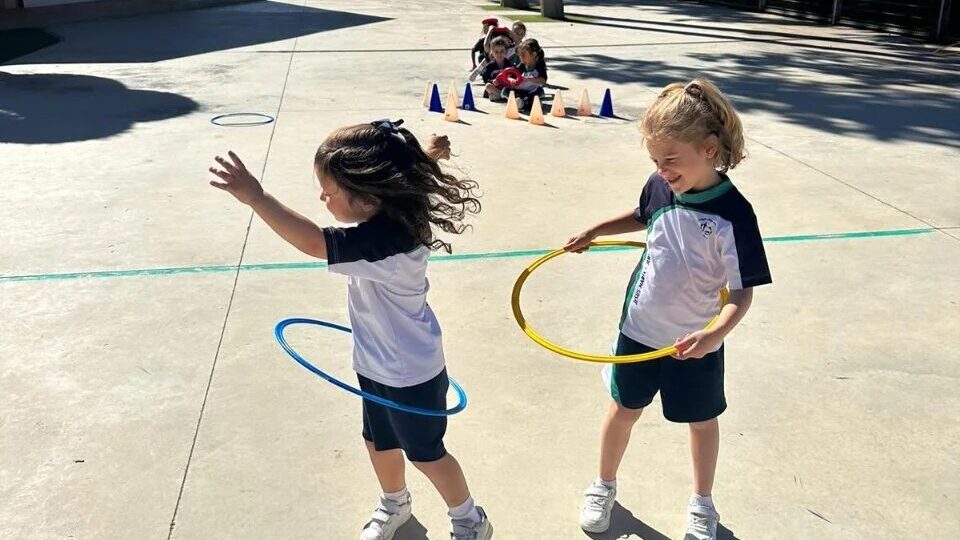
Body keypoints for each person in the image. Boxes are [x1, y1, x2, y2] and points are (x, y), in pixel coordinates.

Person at [208, 120, 493, 540]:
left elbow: (313, 242)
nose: (322, 197)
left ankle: (470, 519)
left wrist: (256, 197)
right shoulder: (392, 212)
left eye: (330, 191)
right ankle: (395, 503)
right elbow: (405, 182)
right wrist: (427, 155)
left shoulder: (386, 245)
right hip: (374, 361)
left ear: (368, 197)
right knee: (377, 441)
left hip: (411, 370)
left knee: (427, 454)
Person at [564, 79, 772, 540]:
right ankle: (603, 485)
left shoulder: (734, 215)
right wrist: (596, 230)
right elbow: (641, 215)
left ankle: (703, 505)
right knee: (623, 410)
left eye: (671, 160)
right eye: (656, 161)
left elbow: (742, 294)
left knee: (701, 422)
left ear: (709, 148)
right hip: (638, 329)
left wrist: (713, 337)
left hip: (694, 341)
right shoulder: (659, 187)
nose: (662, 171)